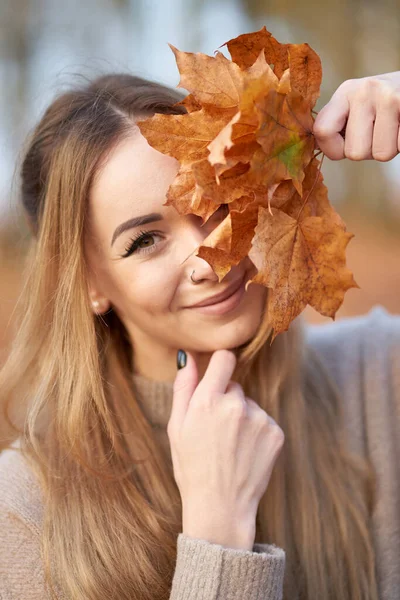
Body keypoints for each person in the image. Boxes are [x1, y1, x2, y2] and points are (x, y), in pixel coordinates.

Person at [0, 69, 399, 600]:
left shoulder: (377, 376)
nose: (212, 258)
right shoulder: (25, 509)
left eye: (219, 205)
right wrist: (219, 544)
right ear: (90, 282)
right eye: (145, 241)